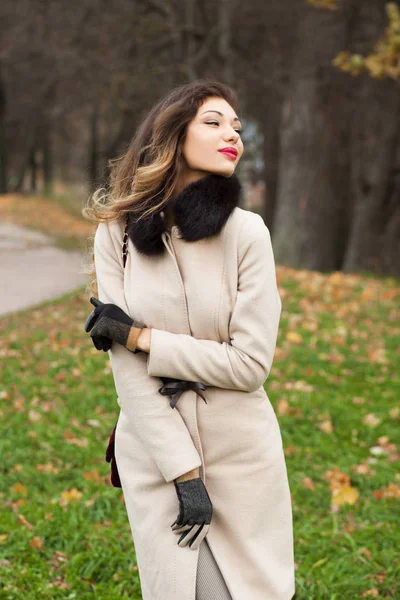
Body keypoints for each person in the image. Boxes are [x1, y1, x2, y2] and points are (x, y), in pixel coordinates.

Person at [82, 78, 295, 600]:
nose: (234, 135)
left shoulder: (248, 233)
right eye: (215, 122)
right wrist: (184, 473)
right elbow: (127, 372)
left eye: (238, 127)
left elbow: (249, 365)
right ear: (175, 134)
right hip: (155, 453)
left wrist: (142, 337)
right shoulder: (116, 235)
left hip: (241, 455)